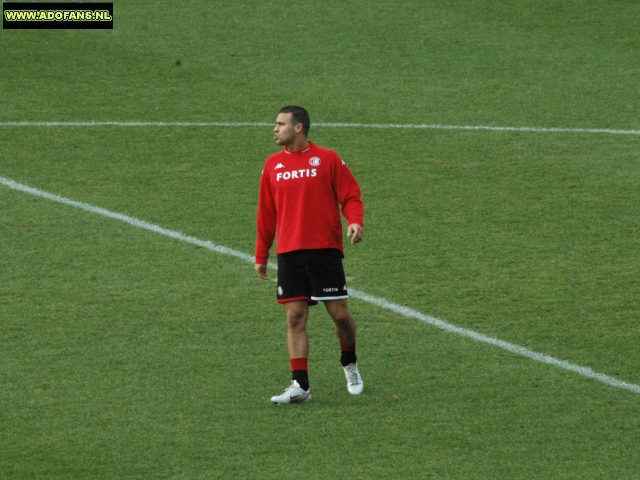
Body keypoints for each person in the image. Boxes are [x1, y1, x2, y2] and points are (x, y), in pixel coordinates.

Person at [255, 105, 365, 404]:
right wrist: (261, 254)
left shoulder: (327, 158)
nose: (275, 129)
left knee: (340, 315)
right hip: (289, 251)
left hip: (323, 249)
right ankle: (300, 386)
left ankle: (349, 361)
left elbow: (351, 194)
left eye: (280, 124)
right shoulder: (272, 165)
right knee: (294, 318)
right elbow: (266, 212)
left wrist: (354, 220)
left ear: (299, 127)